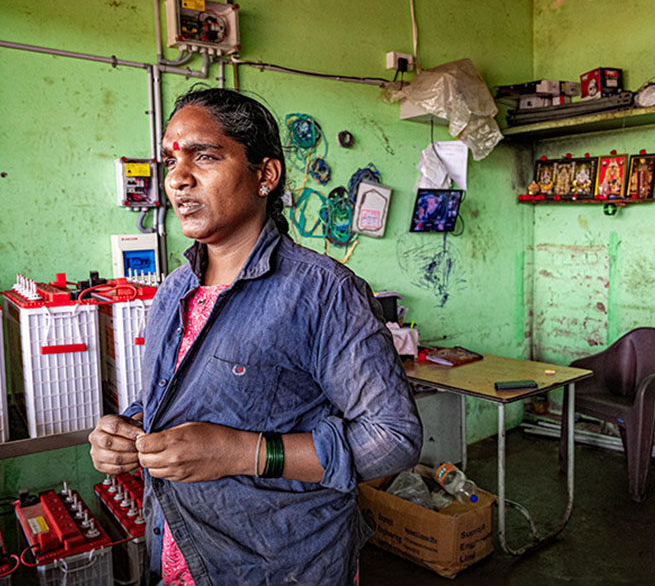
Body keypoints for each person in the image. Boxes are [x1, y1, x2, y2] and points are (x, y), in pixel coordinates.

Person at [89, 87, 423, 585]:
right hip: (181, 548)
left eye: (204, 156)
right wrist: (128, 429)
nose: (178, 178)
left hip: (283, 563)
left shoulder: (323, 292)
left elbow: (394, 439)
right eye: (170, 159)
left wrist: (239, 452)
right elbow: (171, 398)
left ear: (265, 175)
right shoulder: (173, 290)